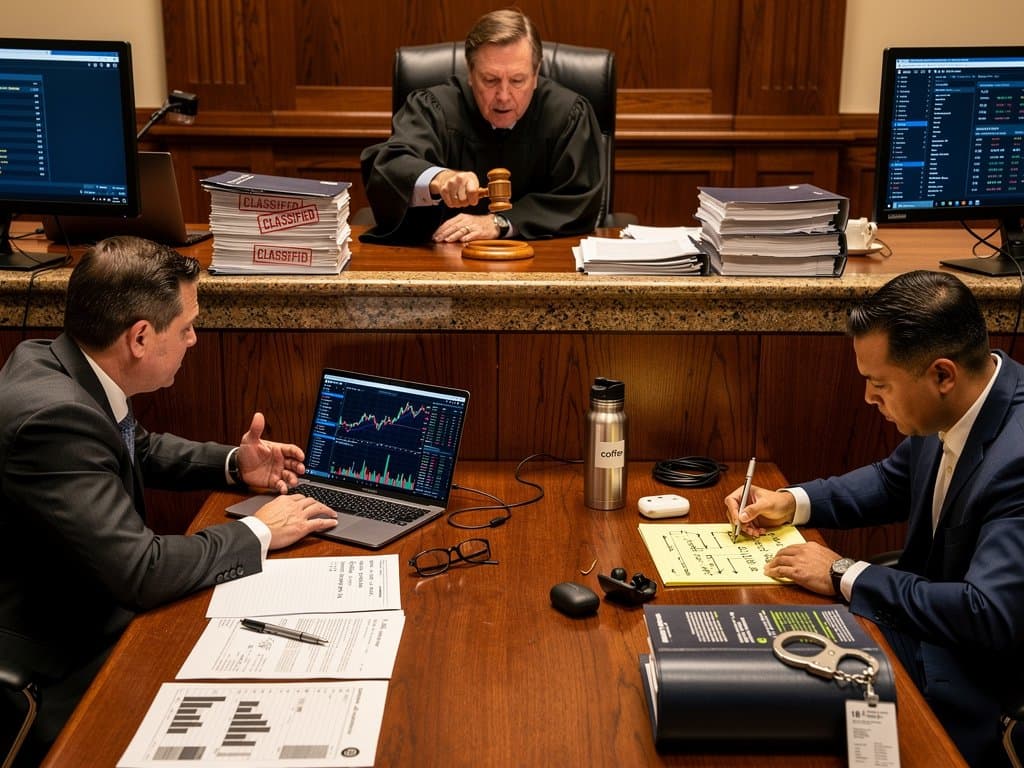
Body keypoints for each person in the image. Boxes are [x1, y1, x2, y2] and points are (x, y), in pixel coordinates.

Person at [0, 236, 337, 765]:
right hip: (57, 657)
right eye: (186, 328)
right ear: (139, 337)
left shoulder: (55, 361)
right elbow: (142, 571)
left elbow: (137, 446)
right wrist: (262, 530)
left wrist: (232, 463)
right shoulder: (55, 419)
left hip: (88, 605)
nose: (195, 339)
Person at [725, 269, 1024, 767]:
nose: (869, 398)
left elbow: (986, 614)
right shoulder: (959, 401)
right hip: (919, 626)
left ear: (942, 375)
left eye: (879, 384)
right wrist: (790, 500)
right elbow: (892, 481)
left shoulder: (1018, 458)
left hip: (974, 681)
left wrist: (843, 572)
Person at [359, 7, 604, 244]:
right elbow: (389, 166)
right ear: (470, 72)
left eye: (518, 80)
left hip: (543, 263)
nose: (504, 96)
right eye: (490, 80)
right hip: (445, 261)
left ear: (536, 72)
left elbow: (579, 201)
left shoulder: (568, 115)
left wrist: (499, 222)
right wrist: (439, 179)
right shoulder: (433, 108)